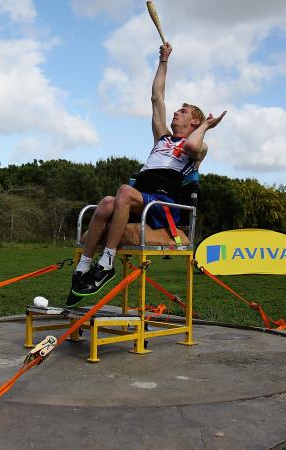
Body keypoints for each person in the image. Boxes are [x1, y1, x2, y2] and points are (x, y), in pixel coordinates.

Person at [68, 43, 226, 305]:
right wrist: (164, 60)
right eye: (177, 110)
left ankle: (106, 264)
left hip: (163, 207)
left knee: (123, 192)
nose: (176, 112)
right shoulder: (162, 138)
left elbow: (193, 145)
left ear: (195, 122)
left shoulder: (197, 148)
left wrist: (207, 125)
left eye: (183, 111)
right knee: (107, 203)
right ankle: (84, 266)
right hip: (141, 200)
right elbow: (157, 97)